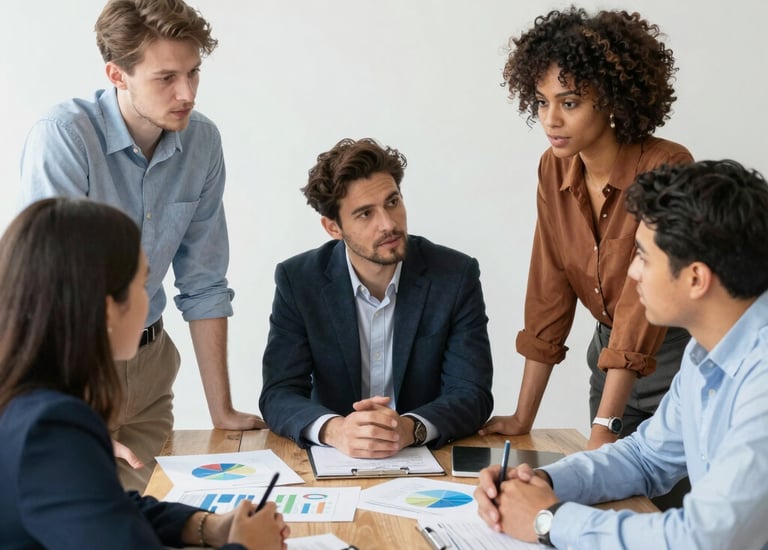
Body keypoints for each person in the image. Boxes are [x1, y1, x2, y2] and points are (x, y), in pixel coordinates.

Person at [18, 0, 263, 491]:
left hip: (151, 368)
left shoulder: (203, 143)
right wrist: (70, 412)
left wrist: (222, 409)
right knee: (80, 522)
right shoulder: (65, 137)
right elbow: (52, 291)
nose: (187, 93)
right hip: (76, 367)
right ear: (118, 74)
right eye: (166, 77)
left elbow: (205, 279)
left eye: (194, 73)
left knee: (147, 520)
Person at [475, 159, 768, 549]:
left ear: (696, 278)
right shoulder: (706, 350)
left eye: (644, 257)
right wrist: (541, 482)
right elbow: (646, 458)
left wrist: (549, 520)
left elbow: (705, 538)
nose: (632, 273)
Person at [0, 198, 289, 550]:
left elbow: (105, 509)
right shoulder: (52, 426)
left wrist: (209, 527)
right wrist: (247, 547)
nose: (149, 302)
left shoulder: (26, 404)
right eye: (141, 286)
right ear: (107, 310)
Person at [481, 7, 693, 452]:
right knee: (606, 504)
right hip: (607, 363)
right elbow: (549, 289)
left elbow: (640, 306)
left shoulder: (665, 166)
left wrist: (604, 427)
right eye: (541, 101)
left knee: (663, 512)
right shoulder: (552, 169)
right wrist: (523, 417)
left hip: (676, 364)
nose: (550, 119)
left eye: (569, 102)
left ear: (612, 100)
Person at [258, 138, 493, 457]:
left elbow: (472, 392)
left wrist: (410, 429)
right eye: (366, 214)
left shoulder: (454, 274)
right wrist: (336, 430)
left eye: (393, 202)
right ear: (332, 227)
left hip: (426, 455)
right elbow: (279, 393)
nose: (389, 223)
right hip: (334, 457)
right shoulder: (299, 281)